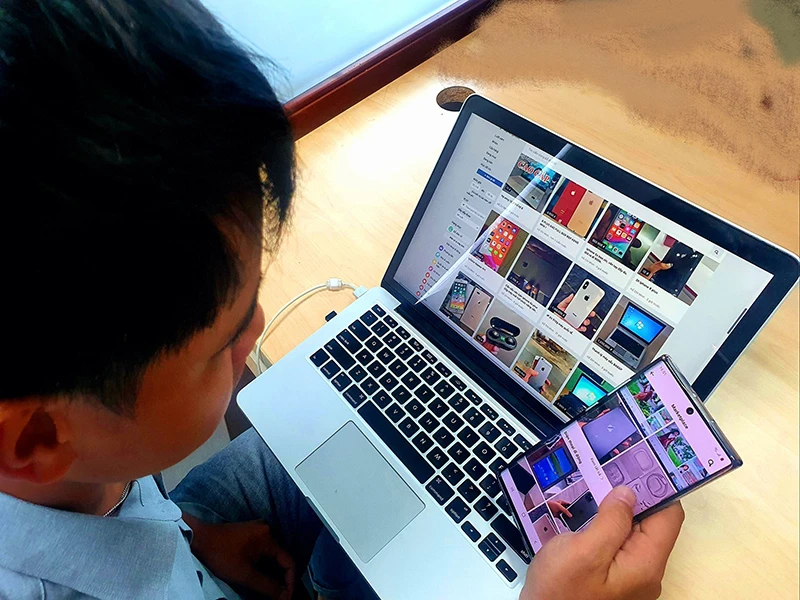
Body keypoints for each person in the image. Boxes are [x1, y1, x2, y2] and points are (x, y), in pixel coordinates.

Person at [0, 1, 684, 599]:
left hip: (169, 533)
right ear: (34, 438)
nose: (257, 329)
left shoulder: (68, 439)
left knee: (364, 448)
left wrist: (193, 536)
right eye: (223, 344)